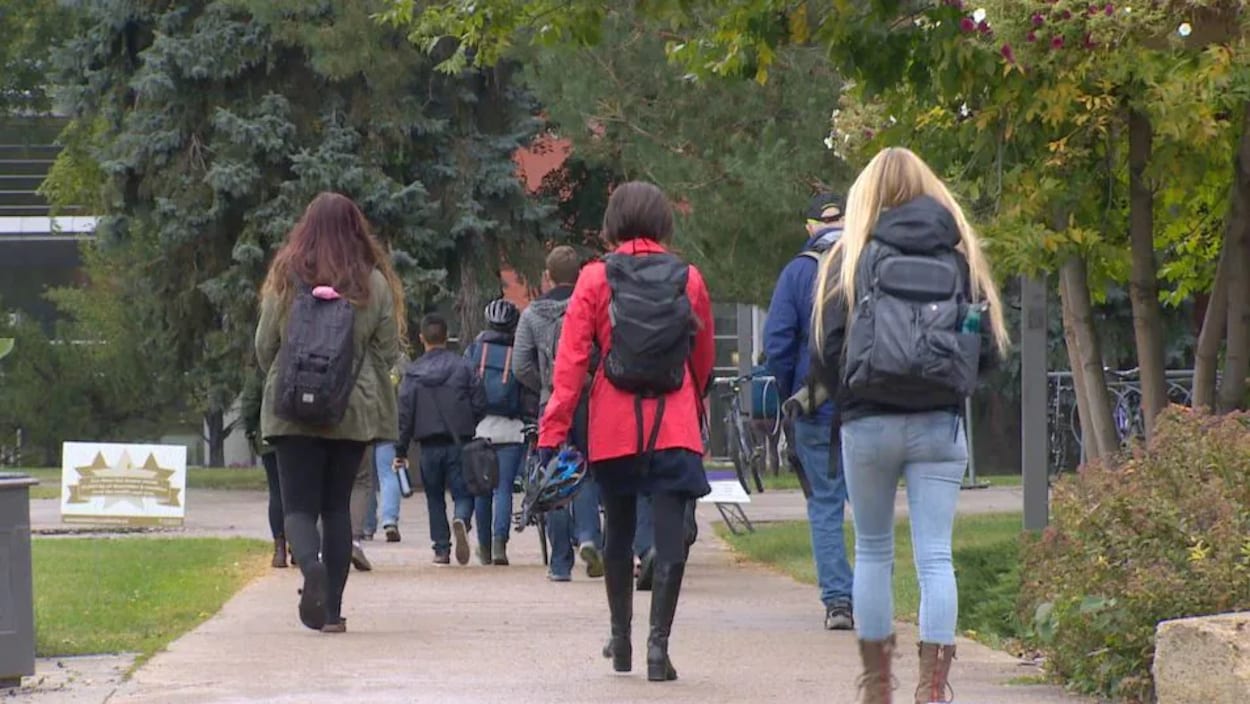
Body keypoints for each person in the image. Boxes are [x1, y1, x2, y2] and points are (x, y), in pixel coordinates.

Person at [809, 147, 1008, 703]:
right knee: (935, 556)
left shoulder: (849, 256)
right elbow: (987, 347)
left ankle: (876, 687)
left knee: (873, 550)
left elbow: (825, 348)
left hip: (868, 422)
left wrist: (848, 393)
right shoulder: (960, 258)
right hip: (939, 424)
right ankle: (932, 688)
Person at [538, 181, 715, 682]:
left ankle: (621, 641)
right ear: (663, 222)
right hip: (674, 421)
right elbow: (701, 359)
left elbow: (570, 366)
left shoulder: (594, 279)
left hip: (614, 425)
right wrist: (695, 402)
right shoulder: (690, 278)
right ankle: (659, 648)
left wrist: (552, 434)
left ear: (613, 222)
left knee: (616, 531)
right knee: (668, 535)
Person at [255, 192, 403, 634]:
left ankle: (311, 570)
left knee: (298, 508)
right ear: (357, 229)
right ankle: (333, 612)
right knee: (336, 509)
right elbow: (389, 350)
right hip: (351, 411)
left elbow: (265, 346)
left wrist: (289, 376)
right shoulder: (373, 283)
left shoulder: (285, 275)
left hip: (290, 408)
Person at [763, 192, 855, 631]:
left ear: (810, 226)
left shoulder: (798, 271)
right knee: (873, 509)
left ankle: (839, 601)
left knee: (824, 503)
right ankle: (877, 596)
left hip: (815, 403)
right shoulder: (868, 264)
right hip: (867, 403)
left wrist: (791, 393)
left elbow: (777, 342)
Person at [514, 246, 604, 581]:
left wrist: (548, 384)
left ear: (548, 277)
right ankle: (590, 537)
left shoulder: (532, 315)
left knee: (554, 474)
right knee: (587, 470)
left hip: (551, 402)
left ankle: (560, 563)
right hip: (589, 399)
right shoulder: (588, 306)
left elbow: (521, 365)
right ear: (580, 274)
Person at [395, 313, 486, 566]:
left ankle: (441, 549)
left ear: (422, 338)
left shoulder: (412, 373)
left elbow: (404, 414)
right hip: (460, 441)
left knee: (434, 497)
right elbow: (480, 401)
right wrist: (469, 423)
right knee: (464, 491)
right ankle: (462, 518)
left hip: (428, 445)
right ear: (447, 337)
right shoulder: (464, 366)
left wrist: (400, 450)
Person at [464, 299, 531, 566]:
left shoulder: (473, 351)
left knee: (482, 489)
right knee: (503, 488)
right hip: (512, 428)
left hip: (480, 427)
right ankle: (500, 544)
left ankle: (484, 546)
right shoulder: (518, 353)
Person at [241, 366, 286, 569]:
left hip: (268, 436)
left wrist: (250, 429)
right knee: (298, 493)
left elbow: (250, 403)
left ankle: (279, 549)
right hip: (298, 437)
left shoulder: (261, 367)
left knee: (277, 492)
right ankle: (300, 544)